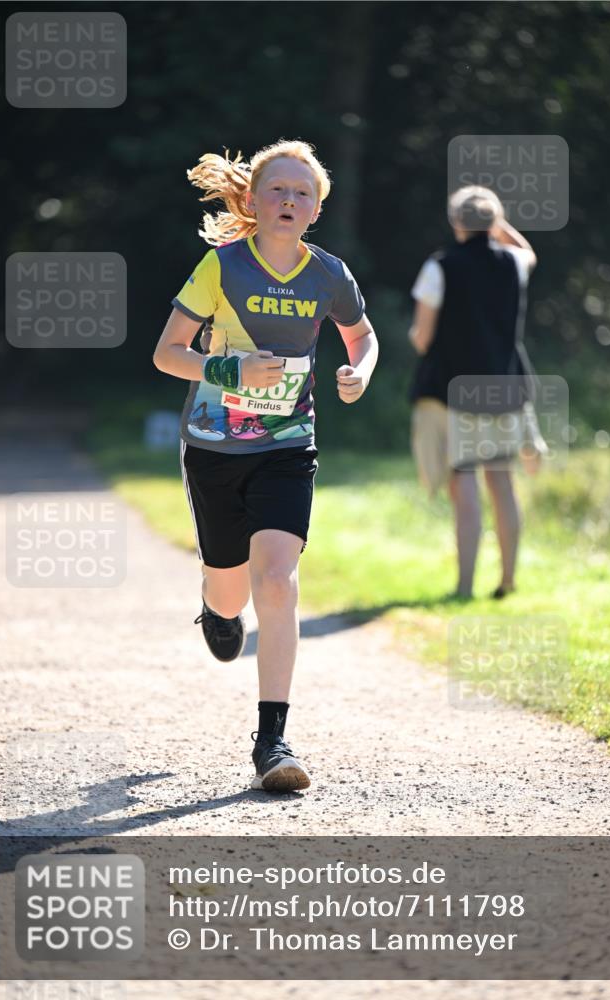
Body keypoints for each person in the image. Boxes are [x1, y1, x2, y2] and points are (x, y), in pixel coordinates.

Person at [153, 140, 378, 792]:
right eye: (276, 190)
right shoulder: (221, 267)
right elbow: (168, 353)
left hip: (287, 445)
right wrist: (231, 369)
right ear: (252, 200)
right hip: (213, 447)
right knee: (231, 590)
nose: (288, 200)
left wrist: (357, 372)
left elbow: (361, 337)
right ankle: (215, 607)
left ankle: (272, 742)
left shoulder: (328, 275)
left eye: (301, 193)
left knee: (276, 579)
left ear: (315, 210)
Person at [408, 185, 538, 600]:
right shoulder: (513, 263)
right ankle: (509, 579)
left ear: (455, 222)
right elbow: (529, 252)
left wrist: (416, 335)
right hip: (502, 387)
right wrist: (498, 225)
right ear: (494, 222)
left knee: (463, 483)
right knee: (501, 482)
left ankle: (464, 586)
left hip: (452, 390)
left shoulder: (439, 266)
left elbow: (423, 339)